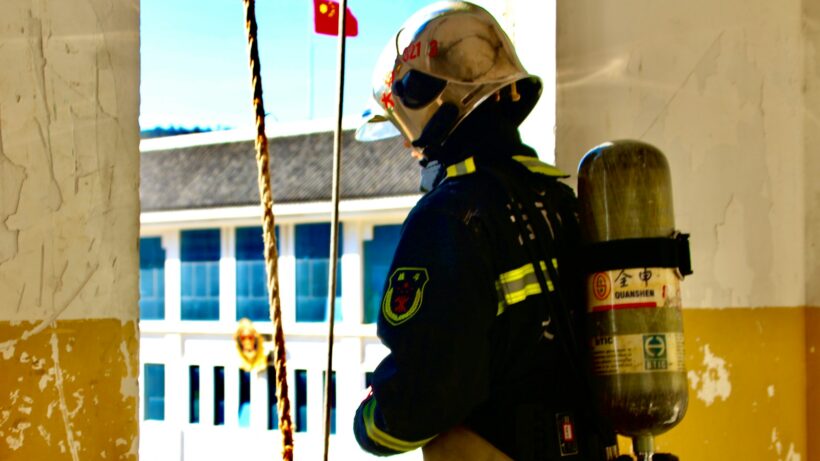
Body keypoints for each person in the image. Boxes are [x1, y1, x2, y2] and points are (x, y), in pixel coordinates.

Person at [353, 2, 619, 460]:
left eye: (401, 126)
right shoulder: (560, 199)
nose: (408, 145)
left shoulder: (450, 216)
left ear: (423, 101)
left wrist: (370, 422)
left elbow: (425, 395)